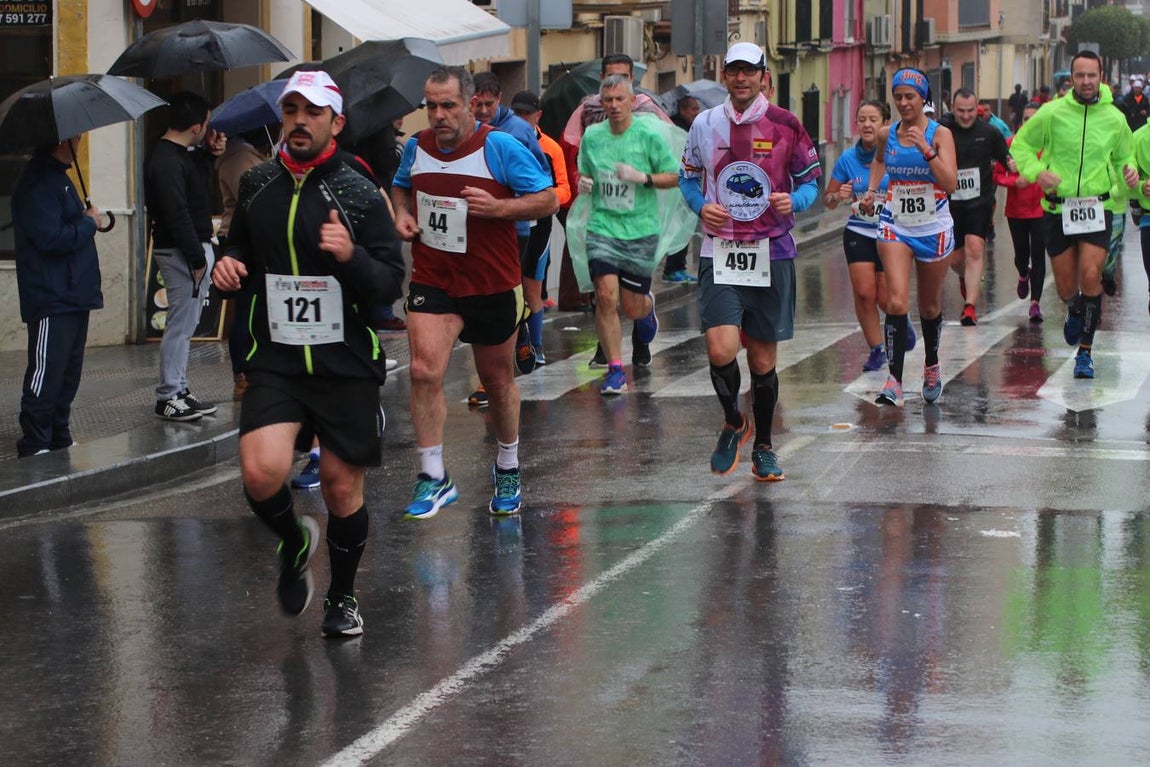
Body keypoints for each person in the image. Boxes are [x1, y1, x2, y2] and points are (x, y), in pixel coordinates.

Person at [211, 71, 405, 638]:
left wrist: (351, 256)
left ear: (335, 123)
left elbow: (388, 285)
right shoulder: (258, 185)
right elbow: (238, 246)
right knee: (260, 471)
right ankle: (295, 540)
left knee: (343, 489)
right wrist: (228, 267)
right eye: (290, 109)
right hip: (276, 357)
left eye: (312, 112)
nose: (298, 120)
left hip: (344, 360)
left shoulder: (358, 192)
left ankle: (342, 596)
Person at [391, 66, 557, 518]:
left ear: (471, 104)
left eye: (448, 105)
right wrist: (401, 215)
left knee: (498, 382)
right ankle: (433, 476)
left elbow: (548, 199)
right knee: (424, 371)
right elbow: (401, 188)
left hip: (490, 283)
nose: (439, 115)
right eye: (431, 106)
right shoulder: (416, 147)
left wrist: (500, 207)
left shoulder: (498, 146)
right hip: (433, 278)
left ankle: (507, 463)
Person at [680, 42, 822, 480]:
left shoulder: (786, 125)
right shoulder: (704, 124)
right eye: (733, 70)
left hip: (771, 251)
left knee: (762, 362)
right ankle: (733, 421)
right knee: (720, 346)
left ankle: (763, 445)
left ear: (765, 77)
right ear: (725, 76)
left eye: (749, 71)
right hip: (720, 248)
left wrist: (792, 200)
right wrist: (701, 206)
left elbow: (811, 182)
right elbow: (688, 178)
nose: (740, 78)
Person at [1011, 50, 1139, 379]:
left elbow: (1126, 159)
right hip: (1058, 209)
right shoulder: (1052, 114)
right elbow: (1021, 146)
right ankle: (1074, 309)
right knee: (1068, 287)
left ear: (1101, 78)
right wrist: (1038, 171)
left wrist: (1130, 178)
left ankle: (1085, 352)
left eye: (1091, 76)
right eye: (1079, 76)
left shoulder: (1114, 118)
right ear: (1071, 80)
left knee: (1092, 276)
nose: (1086, 81)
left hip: (1098, 207)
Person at [859, 68, 958, 407]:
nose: (902, 102)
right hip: (895, 222)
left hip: (933, 227)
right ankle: (894, 380)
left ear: (923, 99)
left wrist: (927, 151)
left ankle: (931, 363)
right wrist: (873, 190)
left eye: (909, 97)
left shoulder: (940, 134)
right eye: (898, 96)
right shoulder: (887, 134)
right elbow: (879, 161)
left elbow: (950, 184)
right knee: (897, 301)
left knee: (929, 305)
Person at [575, 74, 678, 394]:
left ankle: (646, 311)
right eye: (608, 100)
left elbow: (674, 176)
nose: (615, 105)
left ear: (632, 101)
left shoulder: (648, 135)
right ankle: (616, 370)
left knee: (632, 307)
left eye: (621, 99)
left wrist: (642, 177)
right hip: (602, 226)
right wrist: (584, 183)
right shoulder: (592, 136)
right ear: (602, 104)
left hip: (640, 229)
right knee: (605, 296)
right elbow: (585, 172)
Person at [11, 135, 103, 457]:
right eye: (76, 137)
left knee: (67, 372)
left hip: (73, 292)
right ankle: (35, 440)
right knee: (47, 370)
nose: (79, 141)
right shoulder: (38, 183)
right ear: (64, 140)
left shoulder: (59, 180)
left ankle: (58, 435)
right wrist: (89, 224)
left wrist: (85, 219)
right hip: (52, 295)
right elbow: (51, 238)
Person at [145, 91, 226, 422]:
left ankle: (178, 387)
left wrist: (209, 155)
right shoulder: (165, 160)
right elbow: (177, 212)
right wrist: (196, 258)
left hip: (189, 247)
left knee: (186, 322)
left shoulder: (178, 156)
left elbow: (192, 190)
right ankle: (169, 394)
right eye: (206, 122)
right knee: (180, 325)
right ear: (196, 126)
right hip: (183, 250)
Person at [469, 72, 549, 398]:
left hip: (515, 227)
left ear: (500, 99)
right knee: (487, 295)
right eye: (478, 104)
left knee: (502, 295)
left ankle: (495, 375)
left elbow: (541, 178)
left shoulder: (516, 131)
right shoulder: (467, 130)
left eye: (489, 104)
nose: (483, 110)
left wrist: (510, 199)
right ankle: (521, 337)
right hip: (479, 226)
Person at [825, 100, 917, 371]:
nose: (866, 124)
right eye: (862, 119)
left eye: (873, 119)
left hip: (891, 231)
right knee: (865, 293)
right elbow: (828, 199)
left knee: (885, 298)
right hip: (859, 231)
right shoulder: (847, 159)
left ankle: (901, 317)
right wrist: (838, 196)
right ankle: (877, 349)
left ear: (885, 123)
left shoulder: (898, 153)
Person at [510, 89, 572, 367]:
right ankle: (511, 344)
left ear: (538, 115)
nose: (522, 119)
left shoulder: (551, 148)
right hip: (507, 227)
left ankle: (535, 346)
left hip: (538, 228)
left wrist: (541, 200)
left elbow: (564, 190)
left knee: (532, 289)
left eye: (527, 114)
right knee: (506, 290)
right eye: (517, 113)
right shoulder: (499, 140)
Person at [941, 88, 1013, 326]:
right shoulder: (943, 131)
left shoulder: (989, 132)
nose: (965, 116)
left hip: (979, 202)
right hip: (950, 204)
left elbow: (1007, 158)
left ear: (978, 109)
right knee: (954, 260)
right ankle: (965, 277)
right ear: (953, 108)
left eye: (970, 111)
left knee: (974, 248)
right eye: (960, 111)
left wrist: (1016, 169)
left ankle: (969, 307)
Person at [217, 125, 275, 401]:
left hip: (259, 240)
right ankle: (242, 374)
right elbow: (253, 199)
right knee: (245, 310)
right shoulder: (239, 157)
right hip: (241, 243)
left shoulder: (255, 155)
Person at [994, 101, 1046, 322]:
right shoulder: (1010, 144)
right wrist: (1015, 182)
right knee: (1021, 257)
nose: (1029, 123)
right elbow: (997, 175)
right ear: (1020, 121)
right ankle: (1023, 274)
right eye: (1026, 119)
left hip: (1043, 209)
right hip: (1016, 211)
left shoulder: (1049, 146)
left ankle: (1035, 304)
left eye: (1035, 119)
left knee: (1039, 256)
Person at [662, 95, 702, 285]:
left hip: (684, 183)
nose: (697, 112)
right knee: (679, 228)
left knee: (684, 226)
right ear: (684, 110)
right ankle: (673, 269)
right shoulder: (677, 129)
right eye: (694, 109)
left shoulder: (690, 128)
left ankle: (679, 267)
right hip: (676, 185)